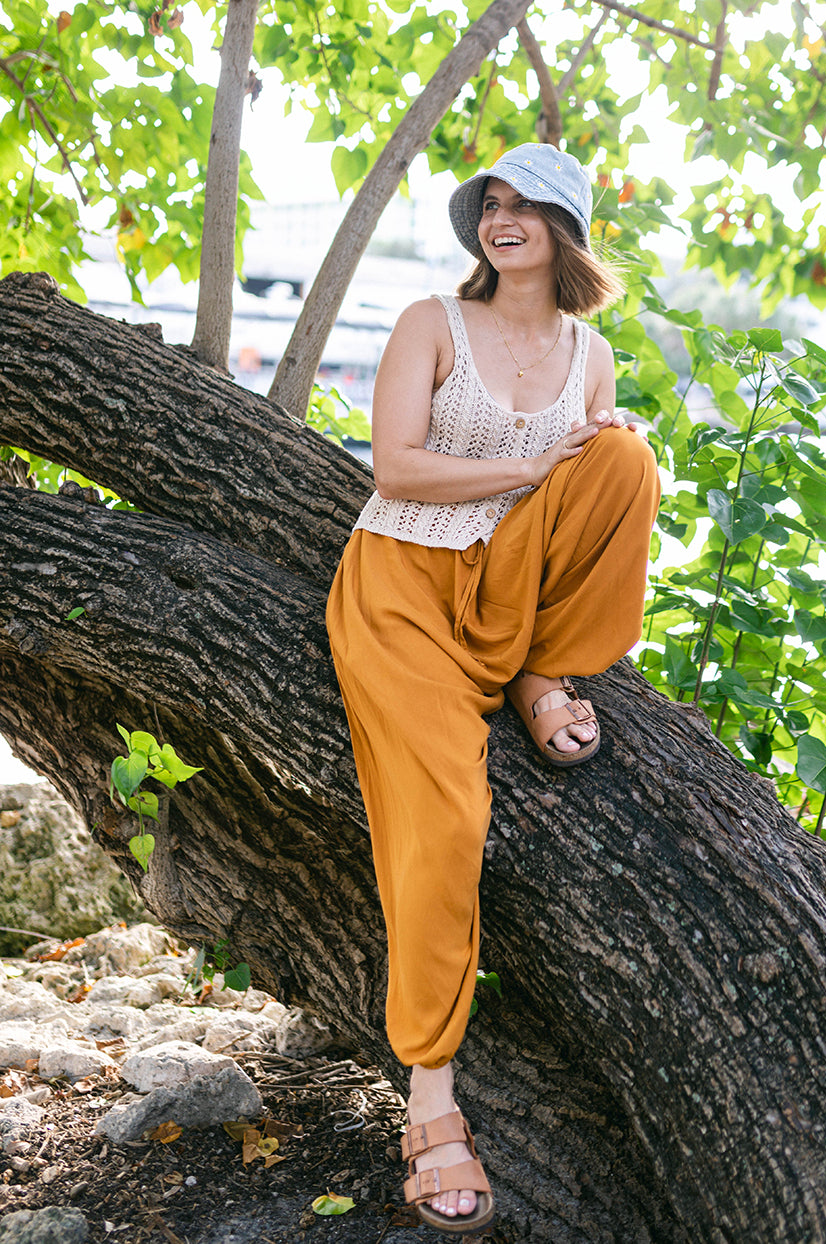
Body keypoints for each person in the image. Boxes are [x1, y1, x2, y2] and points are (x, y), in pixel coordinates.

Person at [325, 142, 660, 1233]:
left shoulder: (590, 351)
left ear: (565, 229)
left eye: (526, 207)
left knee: (623, 455)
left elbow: (581, 499)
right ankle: (430, 1092)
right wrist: (526, 467)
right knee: (450, 812)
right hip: (402, 584)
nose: (502, 220)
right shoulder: (433, 320)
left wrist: (576, 461)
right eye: (491, 204)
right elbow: (396, 466)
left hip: (509, 583)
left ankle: (540, 664)